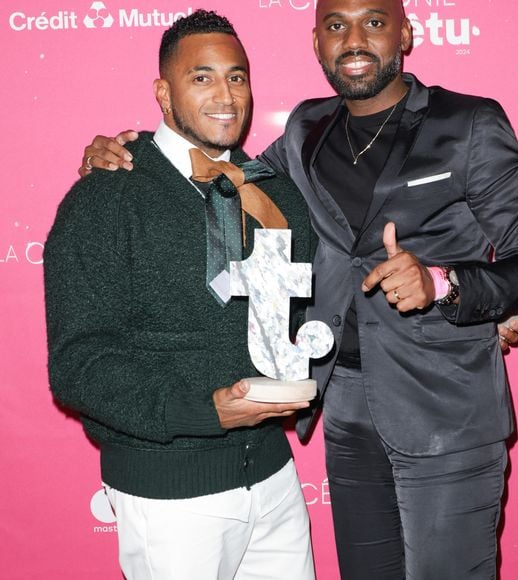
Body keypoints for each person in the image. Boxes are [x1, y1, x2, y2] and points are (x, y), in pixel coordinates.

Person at [77, 1, 518, 578]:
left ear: (405, 33)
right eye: (337, 26)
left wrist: (445, 283)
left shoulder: (470, 124)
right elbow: (226, 180)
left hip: (446, 410)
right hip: (346, 406)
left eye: (374, 22)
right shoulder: (306, 128)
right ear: (317, 43)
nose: (354, 39)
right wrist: (129, 156)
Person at [44, 10, 317, 580]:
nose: (225, 94)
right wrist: (205, 411)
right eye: (202, 77)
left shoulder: (279, 196)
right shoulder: (106, 199)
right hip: (171, 495)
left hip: (275, 480)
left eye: (237, 77)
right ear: (163, 93)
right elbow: (79, 364)